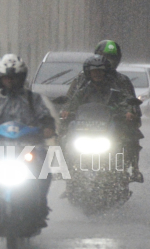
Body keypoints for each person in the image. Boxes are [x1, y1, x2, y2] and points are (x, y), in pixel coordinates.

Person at [0, 54, 56, 225]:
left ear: (21, 78)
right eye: (6, 78)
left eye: (14, 78)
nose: (10, 82)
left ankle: (40, 203)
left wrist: (47, 127)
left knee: (44, 168)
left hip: (29, 147)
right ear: (0, 79)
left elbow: (46, 117)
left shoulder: (33, 99)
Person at [60, 54, 143, 182]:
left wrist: (128, 112)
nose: (97, 74)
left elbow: (124, 101)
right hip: (86, 126)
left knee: (130, 136)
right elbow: (72, 102)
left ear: (105, 72)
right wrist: (66, 110)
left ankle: (134, 169)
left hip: (109, 125)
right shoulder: (83, 90)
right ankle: (66, 169)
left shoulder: (114, 90)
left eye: (100, 71)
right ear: (89, 73)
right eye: (94, 71)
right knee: (64, 135)